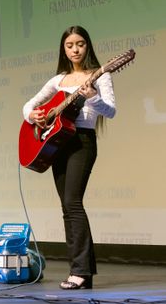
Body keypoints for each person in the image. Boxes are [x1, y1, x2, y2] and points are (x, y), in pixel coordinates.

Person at [22, 26, 116, 289]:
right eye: (70, 45)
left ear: (88, 46)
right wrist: (33, 116)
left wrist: (93, 97)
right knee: (66, 206)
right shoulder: (58, 80)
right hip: (57, 144)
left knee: (73, 202)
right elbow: (28, 105)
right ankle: (81, 270)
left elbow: (110, 112)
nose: (75, 49)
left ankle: (81, 271)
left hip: (82, 143)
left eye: (80, 44)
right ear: (63, 49)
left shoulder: (100, 76)